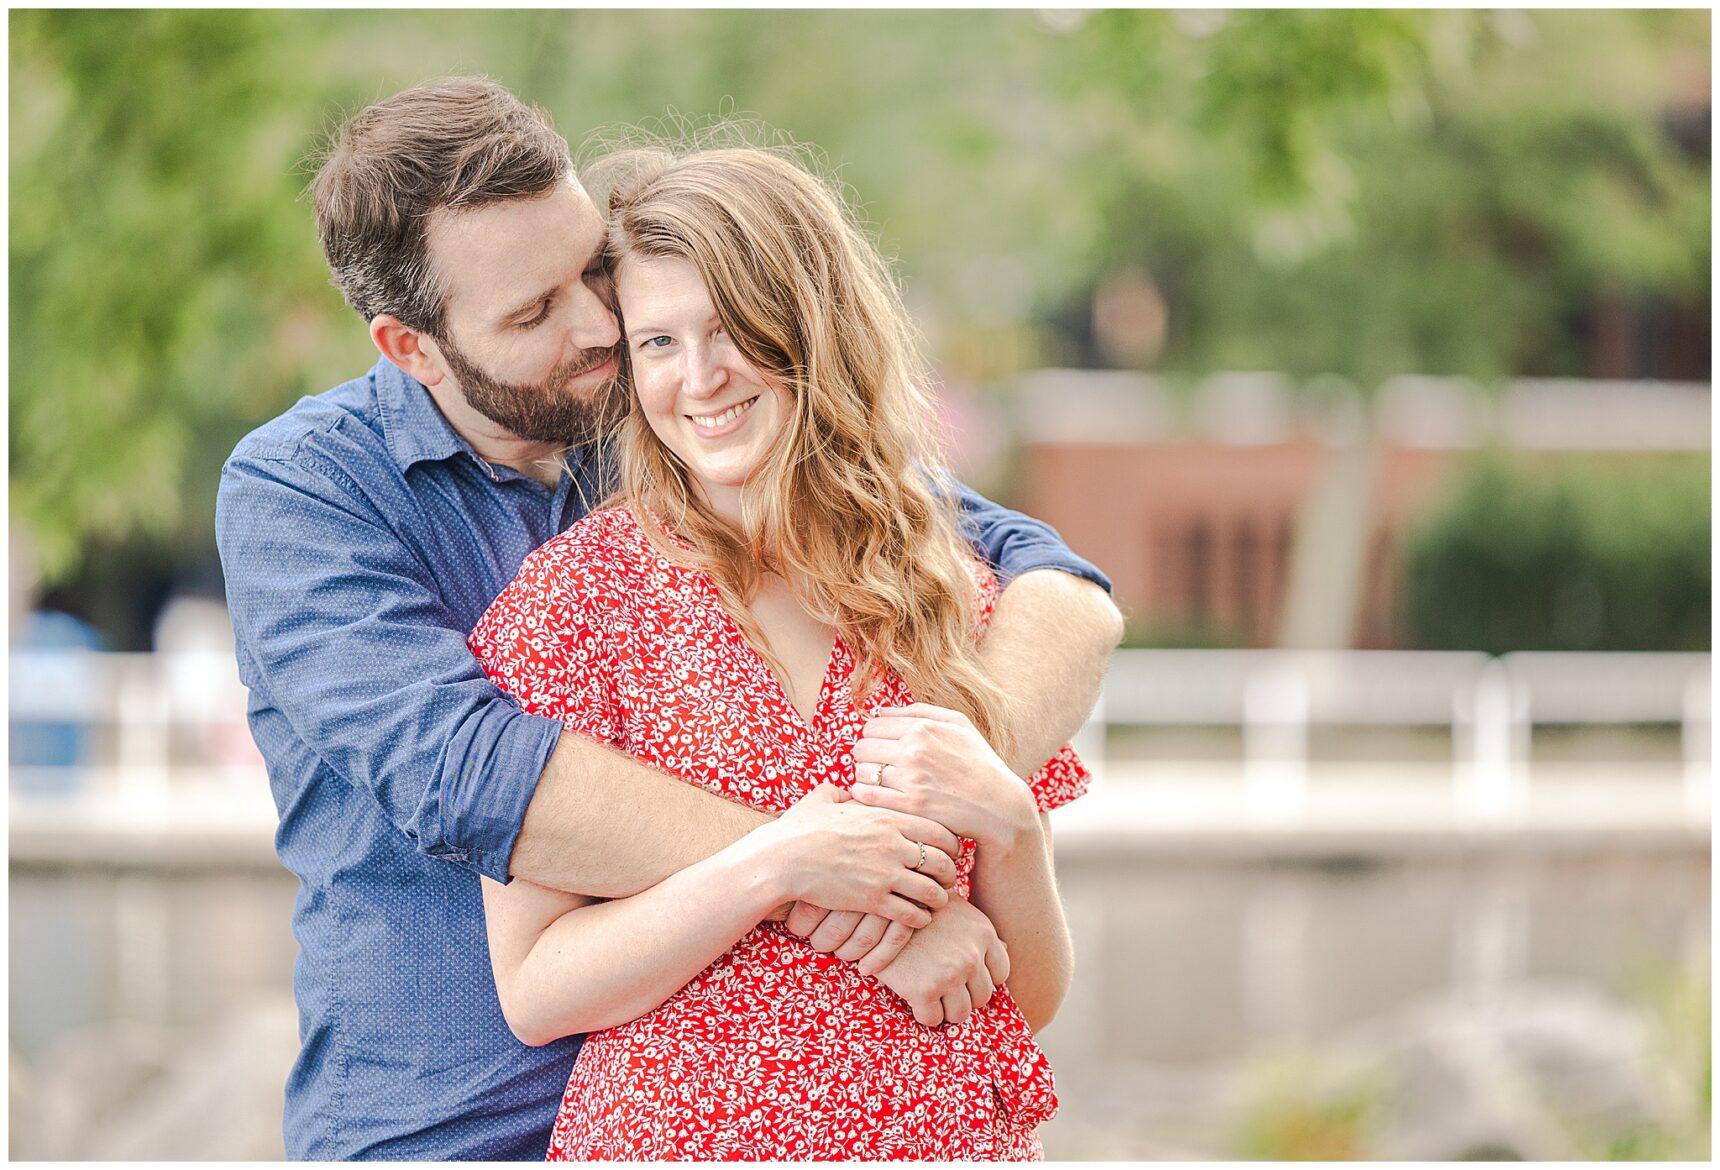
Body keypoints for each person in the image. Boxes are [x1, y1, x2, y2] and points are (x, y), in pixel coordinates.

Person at [215, 76, 1122, 1161]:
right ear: (412, 347)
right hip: (451, 1127)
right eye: (532, 310)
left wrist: (974, 795)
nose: (598, 322)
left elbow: (1051, 585)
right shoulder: (307, 492)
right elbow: (478, 774)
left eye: (588, 270)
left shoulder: (671, 424)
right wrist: (872, 900)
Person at [467, 143, 1089, 1160]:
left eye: (730, 332)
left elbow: (1030, 998)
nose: (699, 379)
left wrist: (1011, 821)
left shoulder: (952, 591)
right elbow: (537, 990)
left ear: (808, 327)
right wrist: (775, 864)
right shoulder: (577, 604)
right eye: (658, 341)